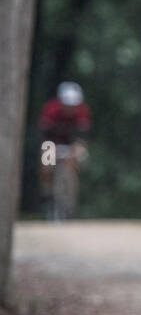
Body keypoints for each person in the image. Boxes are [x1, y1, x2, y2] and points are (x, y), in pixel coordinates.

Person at [39, 82, 91, 215]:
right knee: (46, 165)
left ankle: (70, 198)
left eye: (73, 106)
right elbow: (45, 133)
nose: (70, 108)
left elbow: (82, 135)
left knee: (75, 157)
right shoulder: (51, 109)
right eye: (67, 105)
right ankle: (47, 192)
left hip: (72, 143)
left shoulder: (82, 111)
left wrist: (77, 149)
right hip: (52, 142)